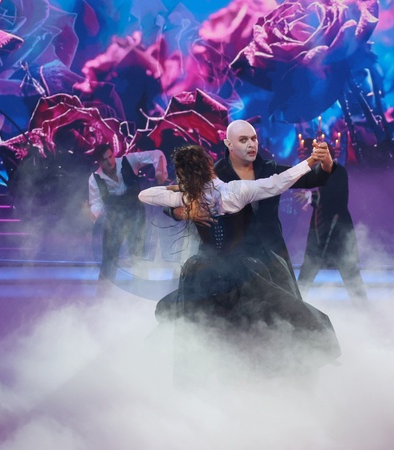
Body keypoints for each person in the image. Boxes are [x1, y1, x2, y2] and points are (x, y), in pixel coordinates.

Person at [138, 144, 341, 375]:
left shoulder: (186, 197)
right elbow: (279, 182)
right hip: (238, 268)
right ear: (209, 163)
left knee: (195, 322)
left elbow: (145, 195)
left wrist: (183, 197)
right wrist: (311, 161)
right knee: (268, 313)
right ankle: (281, 362)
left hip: (202, 271)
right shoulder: (235, 191)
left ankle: (212, 373)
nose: (251, 144)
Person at [165, 120, 334, 293]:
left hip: (271, 253)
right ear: (228, 143)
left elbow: (312, 179)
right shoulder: (214, 175)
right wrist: (184, 212)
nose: (251, 144)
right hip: (229, 259)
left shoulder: (270, 169)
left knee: (284, 306)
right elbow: (169, 198)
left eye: (254, 139)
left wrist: (326, 163)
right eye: (243, 140)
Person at [297, 143, 368, 304]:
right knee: (308, 268)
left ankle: (362, 306)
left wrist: (311, 197)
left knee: (348, 268)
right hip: (320, 226)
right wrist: (310, 196)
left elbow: (333, 199)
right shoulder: (318, 172)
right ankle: (296, 305)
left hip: (337, 227)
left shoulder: (338, 171)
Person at [88, 143, 168, 279]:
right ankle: (104, 290)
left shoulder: (129, 160)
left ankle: (141, 288)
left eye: (110, 157)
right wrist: (99, 216)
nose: (110, 162)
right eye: (105, 160)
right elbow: (95, 203)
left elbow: (157, 154)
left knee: (138, 255)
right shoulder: (94, 178)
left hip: (135, 215)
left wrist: (160, 172)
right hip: (113, 219)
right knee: (109, 258)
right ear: (99, 162)